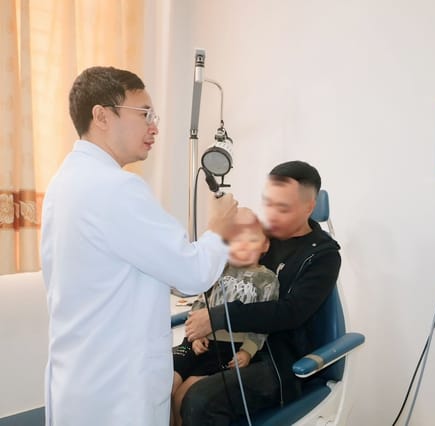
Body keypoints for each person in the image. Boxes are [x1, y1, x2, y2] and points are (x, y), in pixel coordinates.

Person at [40, 66, 238, 426]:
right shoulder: (117, 189)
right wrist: (219, 230)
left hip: (80, 378)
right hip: (119, 388)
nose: (154, 127)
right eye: (144, 113)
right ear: (102, 116)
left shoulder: (64, 181)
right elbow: (193, 275)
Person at [180, 161, 341, 425]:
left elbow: (291, 312)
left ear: (308, 208)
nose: (272, 216)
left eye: (283, 208)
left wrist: (220, 317)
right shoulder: (257, 237)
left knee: (199, 401)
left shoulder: (322, 256)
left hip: (277, 358)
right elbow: (219, 276)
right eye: (269, 204)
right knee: (157, 378)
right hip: (224, 342)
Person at [171, 207, 279, 426]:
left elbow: (264, 322)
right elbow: (202, 302)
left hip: (228, 349)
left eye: (252, 240)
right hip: (199, 342)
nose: (244, 245)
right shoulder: (220, 270)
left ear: (265, 245)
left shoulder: (267, 280)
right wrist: (195, 334)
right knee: (165, 387)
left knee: (184, 394)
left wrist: (247, 351)